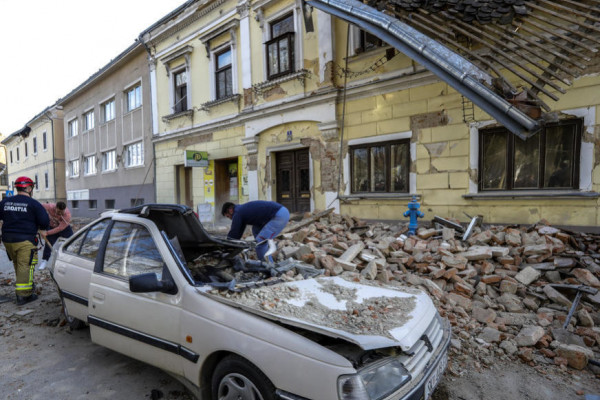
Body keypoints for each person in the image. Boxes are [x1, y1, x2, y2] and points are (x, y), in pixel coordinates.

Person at [0, 177, 49, 305]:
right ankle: (23, 295)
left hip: (7, 240)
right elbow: (44, 221)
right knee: (25, 265)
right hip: (25, 240)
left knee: (18, 263)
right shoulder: (33, 204)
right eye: (31, 187)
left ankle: (25, 286)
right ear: (28, 188)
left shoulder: (5, 202)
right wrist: (42, 228)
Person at [221, 200, 290, 261]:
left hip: (279, 216)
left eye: (228, 216)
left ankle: (268, 266)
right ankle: (267, 254)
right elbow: (239, 230)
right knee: (255, 230)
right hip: (280, 212)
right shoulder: (240, 210)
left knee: (260, 243)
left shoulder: (237, 213)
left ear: (230, 210)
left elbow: (234, 232)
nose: (230, 218)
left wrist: (226, 246)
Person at [39, 201, 73, 270]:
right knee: (48, 243)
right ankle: (44, 261)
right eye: (58, 212)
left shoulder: (67, 215)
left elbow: (60, 228)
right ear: (55, 208)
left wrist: (47, 233)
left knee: (72, 241)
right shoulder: (50, 206)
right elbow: (38, 206)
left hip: (64, 228)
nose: (60, 213)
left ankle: (71, 259)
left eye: (61, 212)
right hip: (52, 226)